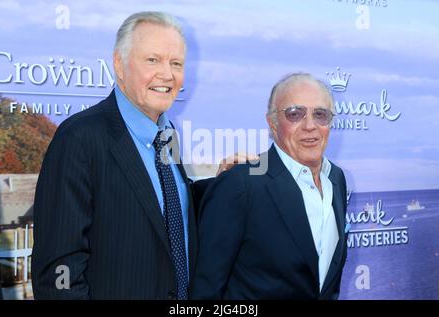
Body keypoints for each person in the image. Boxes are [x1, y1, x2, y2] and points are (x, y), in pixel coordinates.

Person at [31, 11, 247, 300]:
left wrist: (220, 184)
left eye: (176, 63)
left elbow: (165, 211)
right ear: (119, 65)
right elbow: (58, 272)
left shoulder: (166, 132)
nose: (167, 74)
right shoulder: (80, 139)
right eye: (152, 60)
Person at [190, 73, 348, 300]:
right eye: (295, 114)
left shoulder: (336, 179)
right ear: (272, 123)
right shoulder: (241, 183)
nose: (310, 126)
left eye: (320, 114)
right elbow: (205, 291)